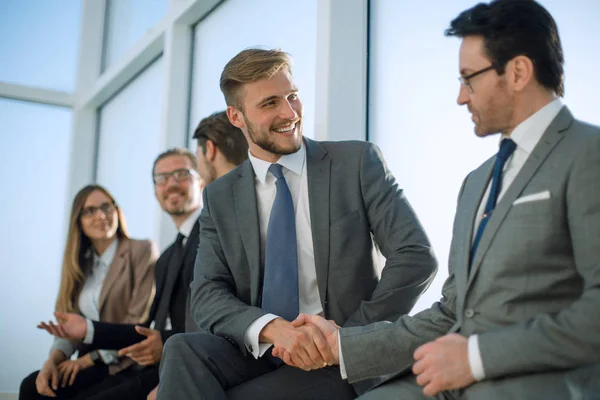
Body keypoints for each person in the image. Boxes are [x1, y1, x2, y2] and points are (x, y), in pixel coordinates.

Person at [285, 1, 600, 399]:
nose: (460, 98)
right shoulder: (477, 181)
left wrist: (476, 358)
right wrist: (341, 345)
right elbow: (453, 311)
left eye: (469, 79)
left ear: (518, 72)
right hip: (446, 383)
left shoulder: (589, 154)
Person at [156, 48, 437, 400]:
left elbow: (415, 256)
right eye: (270, 103)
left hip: (337, 354)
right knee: (182, 351)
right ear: (237, 116)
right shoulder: (220, 196)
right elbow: (208, 292)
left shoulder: (356, 162)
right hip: (262, 348)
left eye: (293, 97)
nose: (289, 113)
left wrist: (346, 341)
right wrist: (272, 329)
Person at [38, 113, 249, 400]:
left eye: (182, 174)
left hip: (193, 362)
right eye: (162, 178)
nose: (171, 184)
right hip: (158, 361)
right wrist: (87, 329)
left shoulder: (217, 233)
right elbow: (146, 329)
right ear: (154, 190)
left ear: (201, 179)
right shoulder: (168, 257)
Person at [20, 185, 158, 400]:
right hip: (86, 362)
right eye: (90, 211)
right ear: (79, 221)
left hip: (124, 361)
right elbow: (68, 329)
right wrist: (52, 361)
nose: (101, 216)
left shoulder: (141, 250)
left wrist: (88, 359)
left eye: (106, 207)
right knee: (32, 386)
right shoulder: (79, 264)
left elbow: (138, 325)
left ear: (116, 210)